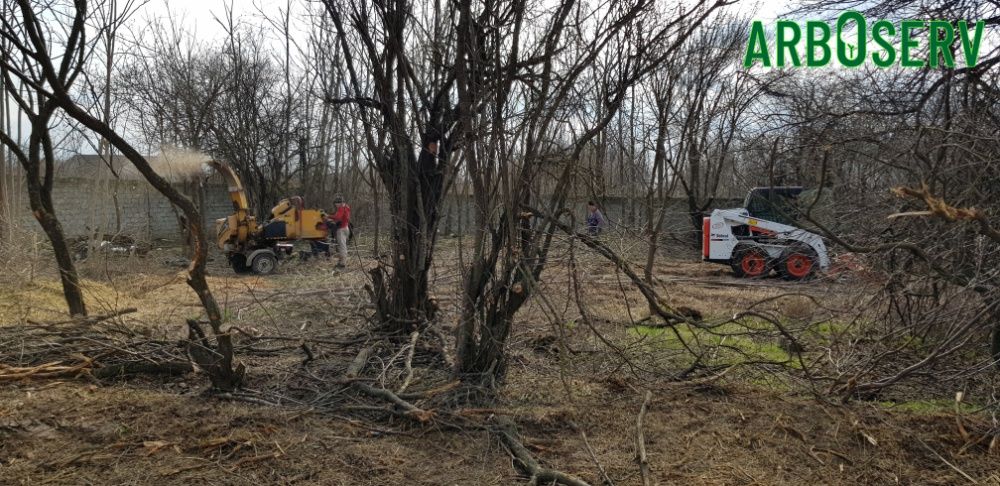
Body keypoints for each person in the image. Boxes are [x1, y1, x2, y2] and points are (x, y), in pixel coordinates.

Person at [329, 195, 351, 268]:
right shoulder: (347, 207)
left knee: (342, 246)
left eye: (336, 204)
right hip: (346, 228)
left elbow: (338, 217)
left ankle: (342, 263)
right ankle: (341, 261)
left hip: (341, 229)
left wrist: (328, 216)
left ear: (339, 203)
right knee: (343, 246)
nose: (336, 205)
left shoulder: (341, 208)